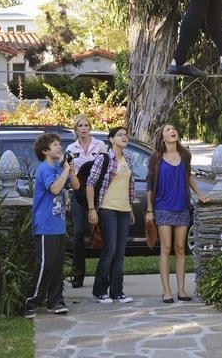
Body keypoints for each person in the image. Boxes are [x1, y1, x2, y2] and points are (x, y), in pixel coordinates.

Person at [146, 123, 208, 303]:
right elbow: (150, 184)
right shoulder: (156, 157)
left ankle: (181, 290)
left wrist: (200, 195)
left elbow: (189, 178)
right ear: (162, 138)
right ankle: (166, 291)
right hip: (162, 206)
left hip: (181, 206)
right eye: (168, 130)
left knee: (180, 248)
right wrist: (149, 209)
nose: (172, 131)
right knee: (166, 247)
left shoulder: (185, 155)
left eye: (174, 129)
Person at [24, 132, 79, 318]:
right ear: (45, 150)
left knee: (56, 266)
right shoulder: (45, 169)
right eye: (55, 145)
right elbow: (55, 189)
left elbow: (77, 186)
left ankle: (55, 301)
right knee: (46, 264)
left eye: (59, 144)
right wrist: (64, 170)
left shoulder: (57, 169)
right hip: (45, 226)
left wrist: (70, 169)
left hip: (58, 226)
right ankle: (31, 302)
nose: (59, 147)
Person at [86, 126, 135, 304]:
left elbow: (130, 187)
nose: (124, 137)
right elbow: (90, 184)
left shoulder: (128, 159)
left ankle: (117, 291)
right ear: (111, 139)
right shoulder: (104, 158)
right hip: (107, 209)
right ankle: (100, 291)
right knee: (110, 250)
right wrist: (92, 209)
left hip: (123, 210)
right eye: (120, 135)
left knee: (120, 252)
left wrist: (129, 208)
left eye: (125, 135)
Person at [66, 114, 107, 288]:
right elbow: (69, 171)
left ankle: (105, 274)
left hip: (97, 194)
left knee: (103, 232)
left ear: (90, 127)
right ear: (76, 129)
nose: (83, 128)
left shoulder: (100, 145)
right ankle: (78, 275)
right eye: (79, 126)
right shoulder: (71, 147)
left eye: (86, 125)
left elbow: (106, 167)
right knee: (78, 234)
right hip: (78, 194)